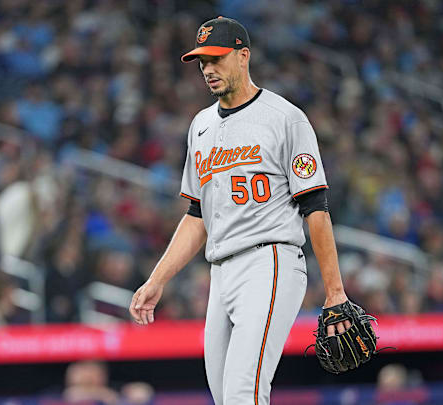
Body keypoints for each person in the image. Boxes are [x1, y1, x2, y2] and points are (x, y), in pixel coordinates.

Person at [129, 16, 353, 405]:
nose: (208, 69)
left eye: (216, 59)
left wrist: (335, 291)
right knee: (225, 396)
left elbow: (315, 206)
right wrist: (157, 279)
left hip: (270, 260)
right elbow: (197, 216)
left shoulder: (284, 118)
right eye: (202, 62)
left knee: (241, 393)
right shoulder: (200, 126)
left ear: (243, 56)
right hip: (221, 271)